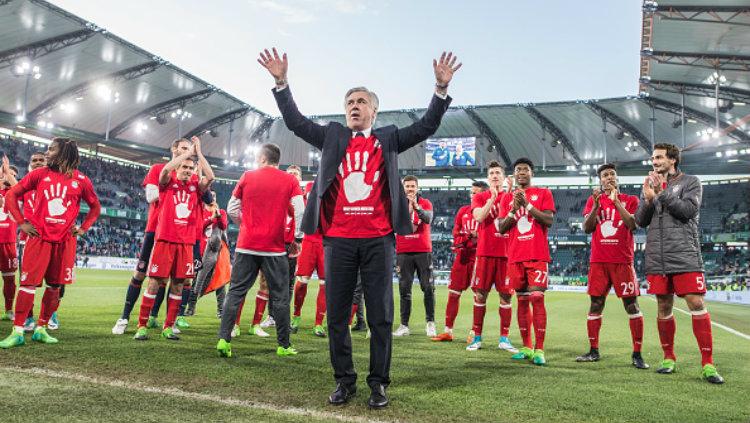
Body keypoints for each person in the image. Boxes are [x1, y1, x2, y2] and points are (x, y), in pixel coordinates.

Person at [258, 47, 459, 408]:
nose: (354, 105)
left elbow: (427, 125)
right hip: (337, 241)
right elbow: (296, 122)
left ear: (373, 110)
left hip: (379, 241)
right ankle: (344, 380)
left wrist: (440, 90)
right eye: (349, 100)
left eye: (361, 101)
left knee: (381, 316)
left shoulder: (389, 138)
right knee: (337, 316)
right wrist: (281, 83)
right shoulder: (332, 136)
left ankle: (378, 383)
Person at [634, 143, 723, 384]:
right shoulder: (650, 186)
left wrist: (662, 192)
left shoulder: (690, 182)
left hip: (684, 254)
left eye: (659, 157)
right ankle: (668, 358)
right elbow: (640, 222)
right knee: (663, 307)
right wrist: (647, 199)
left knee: (695, 302)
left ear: (673, 160)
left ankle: (707, 364)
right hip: (657, 257)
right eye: (652, 158)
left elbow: (687, 211)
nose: (654, 161)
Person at [0, 137, 101, 348]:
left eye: (51, 149)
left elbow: (95, 207)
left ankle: (41, 328)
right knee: (28, 285)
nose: (47, 153)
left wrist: (83, 229)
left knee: (55, 286)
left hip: (65, 241)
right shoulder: (39, 174)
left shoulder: (82, 180)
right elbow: (11, 196)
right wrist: (22, 223)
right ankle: (18, 330)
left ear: (63, 152)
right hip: (39, 239)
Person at [216, 143, 304, 358]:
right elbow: (301, 210)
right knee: (280, 296)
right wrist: (297, 238)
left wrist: (245, 224)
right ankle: (283, 345)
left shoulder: (247, 176)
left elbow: (232, 208)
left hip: (247, 245)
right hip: (274, 248)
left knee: (236, 292)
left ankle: (223, 340)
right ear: (277, 160)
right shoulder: (290, 180)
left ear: (262, 159)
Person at [132, 138, 214, 341]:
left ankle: (168, 327)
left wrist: (199, 153)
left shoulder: (195, 186)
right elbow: (164, 171)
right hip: (165, 240)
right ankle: (141, 326)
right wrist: (185, 155)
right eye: (184, 167)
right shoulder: (168, 182)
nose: (187, 170)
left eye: (190, 168)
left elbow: (210, 176)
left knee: (178, 285)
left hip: (185, 244)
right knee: (154, 283)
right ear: (178, 167)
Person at [112, 138, 193, 335]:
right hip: (155, 230)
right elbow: (150, 196)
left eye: (189, 150)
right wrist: (172, 187)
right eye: (183, 149)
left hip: (179, 234)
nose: (186, 152)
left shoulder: (189, 173)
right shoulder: (159, 169)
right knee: (140, 275)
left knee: (171, 280)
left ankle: (158, 320)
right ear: (174, 149)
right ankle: (124, 318)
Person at [576, 163, 647, 369]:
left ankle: (637, 354)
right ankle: (593, 350)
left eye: (612, 174)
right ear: (600, 180)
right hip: (598, 262)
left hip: (623, 261)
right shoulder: (593, 200)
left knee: (631, 305)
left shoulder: (630, 200)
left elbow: (632, 224)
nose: (609, 177)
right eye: (605, 175)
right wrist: (597, 205)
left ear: (617, 178)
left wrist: (616, 203)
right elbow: (587, 229)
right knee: (596, 304)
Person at [498, 158, 555, 366]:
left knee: (537, 298)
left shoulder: (543, 193)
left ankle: (539, 349)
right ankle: (526, 346)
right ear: (514, 175)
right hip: (515, 256)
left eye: (525, 169)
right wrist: (514, 209)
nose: (521, 172)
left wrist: (527, 205)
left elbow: (548, 220)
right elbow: (501, 228)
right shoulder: (506, 199)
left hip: (537, 254)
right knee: (521, 300)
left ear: (532, 173)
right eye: (518, 170)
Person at [466, 161, 517, 352]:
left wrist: (508, 195)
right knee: (481, 295)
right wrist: (492, 199)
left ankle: (504, 338)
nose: (495, 175)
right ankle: (477, 337)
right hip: (485, 254)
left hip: (506, 255)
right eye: (492, 173)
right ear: (488, 178)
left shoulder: (510, 197)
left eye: (498, 173)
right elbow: (479, 217)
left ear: (503, 178)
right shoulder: (480, 197)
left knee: (506, 297)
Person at [432, 181, 487, 342]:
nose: (472, 196)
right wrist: (468, 237)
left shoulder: (487, 213)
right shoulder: (462, 211)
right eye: (471, 192)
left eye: (476, 193)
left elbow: (489, 237)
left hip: (478, 258)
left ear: (483, 195)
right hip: (462, 257)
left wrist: (477, 237)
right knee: (454, 293)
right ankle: (448, 331)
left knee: (478, 296)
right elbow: (456, 234)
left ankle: (474, 333)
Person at [393, 175, 435, 337]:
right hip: (403, 251)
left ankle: (430, 323)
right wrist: (408, 207)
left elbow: (428, 219)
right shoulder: (398, 204)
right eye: (407, 186)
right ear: (403, 188)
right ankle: (404, 325)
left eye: (412, 186)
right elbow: (396, 223)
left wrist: (416, 206)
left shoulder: (425, 203)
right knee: (404, 289)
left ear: (417, 188)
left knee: (428, 288)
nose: (410, 189)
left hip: (423, 251)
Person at [291, 180, 328, 337]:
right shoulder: (302, 204)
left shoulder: (328, 201)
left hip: (326, 243)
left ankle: (318, 324)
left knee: (325, 284)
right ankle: (296, 317)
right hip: (308, 242)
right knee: (301, 283)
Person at [17, 152, 47, 332]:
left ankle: (50, 315)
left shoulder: (55, 182)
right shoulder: (25, 184)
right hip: (26, 240)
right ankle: (28, 318)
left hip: (51, 238)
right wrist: (21, 223)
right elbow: (13, 202)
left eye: (40, 160)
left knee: (53, 280)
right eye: (33, 161)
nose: (37, 163)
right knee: (27, 281)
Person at [0, 159, 19, 321]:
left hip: (8, 242)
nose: (8, 177)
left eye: (12, 175)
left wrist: (7, 173)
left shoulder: (16, 194)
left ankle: (8, 310)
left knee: (9, 279)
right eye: (5, 173)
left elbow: (18, 187)